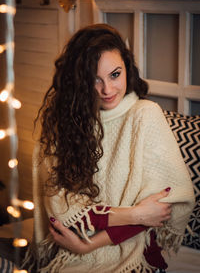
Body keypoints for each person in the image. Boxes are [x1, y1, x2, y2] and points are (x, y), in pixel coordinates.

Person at [22, 24, 195, 273]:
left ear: (127, 68)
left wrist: (88, 245)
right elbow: (61, 212)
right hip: (70, 245)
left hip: (134, 250)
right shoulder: (63, 123)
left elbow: (159, 210)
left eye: (115, 74)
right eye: (95, 79)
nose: (107, 89)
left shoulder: (145, 116)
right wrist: (134, 214)